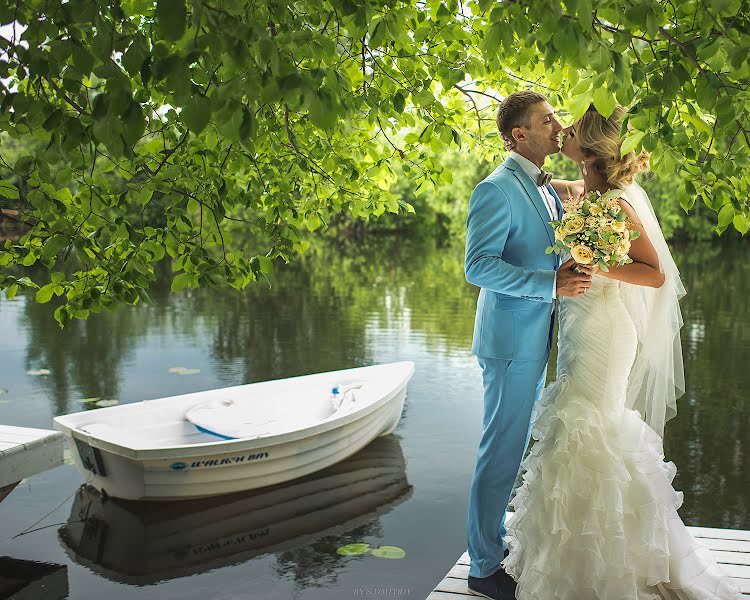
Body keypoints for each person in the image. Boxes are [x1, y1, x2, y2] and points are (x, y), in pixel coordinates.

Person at [501, 104, 741, 600]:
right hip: (577, 323)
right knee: (575, 425)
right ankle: (570, 557)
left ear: (587, 150)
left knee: (591, 424)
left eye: (570, 130)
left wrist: (599, 264)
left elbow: (654, 274)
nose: (561, 131)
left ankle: (614, 562)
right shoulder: (584, 191)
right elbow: (546, 190)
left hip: (606, 329)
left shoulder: (615, 203)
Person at [464, 90, 594, 600]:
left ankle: (492, 549)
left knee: (511, 448)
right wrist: (550, 285)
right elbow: (478, 266)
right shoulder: (494, 190)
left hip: (532, 338)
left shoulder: (538, 184)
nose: (558, 126)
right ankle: (481, 569)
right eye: (547, 121)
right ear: (519, 135)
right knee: (500, 450)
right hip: (510, 343)